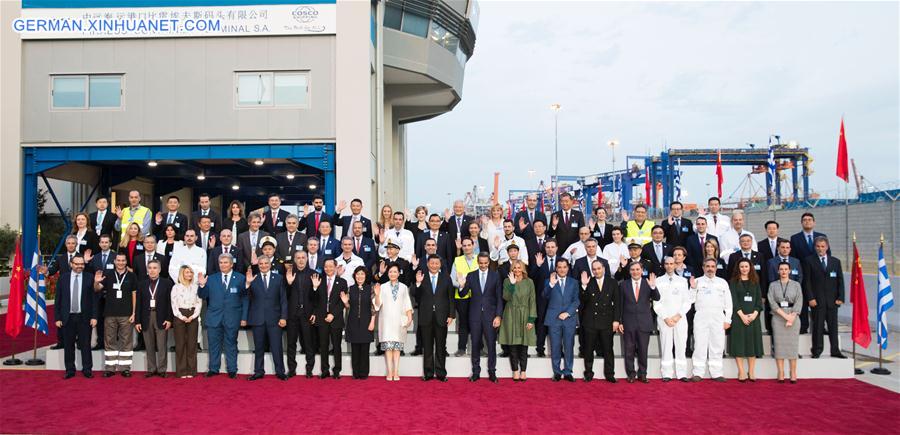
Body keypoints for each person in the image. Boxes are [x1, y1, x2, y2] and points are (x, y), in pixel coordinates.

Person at [198, 254, 248, 379]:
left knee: (231, 344)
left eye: (226, 262)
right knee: (213, 344)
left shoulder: (241, 278)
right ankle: (213, 368)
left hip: (232, 317)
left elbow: (245, 299)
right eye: (221, 262)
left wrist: (244, 317)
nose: (223, 265)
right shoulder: (211, 278)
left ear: (231, 264)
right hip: (214, 317)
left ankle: (232, 370)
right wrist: (202, 286)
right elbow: (202, 296)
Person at [242, 256, 288, 381]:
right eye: (261, 263)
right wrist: (248, 284)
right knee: (259, 347)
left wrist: (284, 317)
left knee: (276, 347)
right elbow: (245, 297)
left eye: (265, 263)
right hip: (257, 318)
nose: (263, 265)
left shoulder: (278, 278)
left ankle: (280, 371)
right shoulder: (252, 279)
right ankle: (258, 371)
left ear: (270, 264)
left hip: (275, 318)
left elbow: (283, 299)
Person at [459, 252, 503, 382]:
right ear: (478, 262)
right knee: (475, 344)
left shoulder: (495, 276)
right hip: (475, 315)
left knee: (491, 345)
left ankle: (492, 372)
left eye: (486, 263)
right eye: (481, 263)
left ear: (489, 262)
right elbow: (463, 294)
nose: (483, 265)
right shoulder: (471, 275)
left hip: (491, 316)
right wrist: (462, 285)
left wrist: (498, 316)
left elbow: (499, 298)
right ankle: (476, 372)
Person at [413, 255, 456, 382]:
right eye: (432, 263)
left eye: (437, 263)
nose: (434, 265)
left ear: (440, 265)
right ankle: (428, 373)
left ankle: (441, 373)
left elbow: (451, 298)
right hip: (426, 316)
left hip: (441, 316)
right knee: (427, 346)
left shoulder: (446, 278)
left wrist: (451, 315)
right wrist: (418, 283)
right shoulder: (421, 276)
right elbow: (415, 295)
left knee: (441, 347)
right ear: (427, 264)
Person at [55, 255, 98, 379]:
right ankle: (69, 370)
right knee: (68, 345)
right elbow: (58, 299)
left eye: (82, 264)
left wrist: (94, 316)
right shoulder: (63, 278)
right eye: (77, 264)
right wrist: (57, 318)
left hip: (84, 317)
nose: (80, 266)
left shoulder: (90, 278)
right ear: (71, 264)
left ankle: (87, 369)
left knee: (85, 345)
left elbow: (94, 299)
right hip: (67, 317)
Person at [802, 236, 846, 359]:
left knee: (833, 327)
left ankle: (835, 350)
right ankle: (817, 350)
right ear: (815, 247)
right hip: (817, 301)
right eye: (818, 246)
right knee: (817, 327)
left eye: (823, 246)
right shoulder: (809, 261)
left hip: (832, 301)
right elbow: (807, 282)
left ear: (827, 247)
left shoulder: (835, 262)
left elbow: (840, 281)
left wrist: (840, 297)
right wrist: (810, 298)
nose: (820, 249)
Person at [578, 259, 620, 383]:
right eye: (594, 269)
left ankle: (610, 374)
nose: (596, 271)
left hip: (607, 320)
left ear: (604, 269)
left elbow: (617, 303)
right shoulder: (588, 282)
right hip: (590, 321)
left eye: (598, 268)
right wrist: (584, 286)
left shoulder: (612, 282)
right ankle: (589, 373)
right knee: (588, 349)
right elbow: (582, 302)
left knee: (608, 349)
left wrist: (616, 320)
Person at [691, 258, 733, 382]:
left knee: (718, 345)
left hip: (718, 317)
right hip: (701, 317)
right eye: (707, 266)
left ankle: (717, 373)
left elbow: (729, 304)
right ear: (703, 268)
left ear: (716, 268)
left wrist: (728, 320)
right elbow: (690, 300)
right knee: (699, 345)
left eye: (712, 266)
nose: (710, 268)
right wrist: (693, 289)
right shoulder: (697, 281)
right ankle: (698, 373)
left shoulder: (722, 282)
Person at [96, 253, 136, 377]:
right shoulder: (108, 275)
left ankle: (125, 368)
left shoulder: (132, 276)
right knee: (109, 341)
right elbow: (97, 289)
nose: (120, 262)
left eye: (123, 260)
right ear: (114, 261)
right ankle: (110, 368)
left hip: (126, 314)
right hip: (110, 313)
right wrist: (96, 282)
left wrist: (134, 312)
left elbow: (134, 294)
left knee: (126, 341)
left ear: (126, 262)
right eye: (118, 260)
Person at [620, 262, 660, 383]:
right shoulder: (623, 285)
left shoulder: (648, 283)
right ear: (629, 271)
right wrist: (620, 321)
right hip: (628, 322)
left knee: (643, 350)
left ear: (642, 270)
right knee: (629, 350)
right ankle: (631, 374)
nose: (635, 272)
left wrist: (653, 287)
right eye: (632, 269)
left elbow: (657, 297)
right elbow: (620, 305)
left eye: (638, 269)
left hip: (644, 322)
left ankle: (643, 374)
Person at [654, 257, 692, 382]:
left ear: (676, 265)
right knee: (666, 346)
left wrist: (678, 316)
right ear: (664, 265)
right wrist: (665, 317)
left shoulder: (682, 281)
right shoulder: (658, 281)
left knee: (681, 346)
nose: (669, 266)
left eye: (672, 264)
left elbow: (687, 302)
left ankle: (681, 373)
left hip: (679, 319)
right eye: (667, 264)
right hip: (664, 319)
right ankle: (667, 373)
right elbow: (656, 303)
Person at [375, 264, 413, 381]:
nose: (392, 274)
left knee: (397, 348)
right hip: (386, 320)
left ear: (398, 273)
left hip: (399, 320)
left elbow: (407, 303)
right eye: (390, 272)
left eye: (395, 272)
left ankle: (396, 371)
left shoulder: (404, 287)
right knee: (388, 348)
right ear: (388, 273)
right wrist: (377, 294)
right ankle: (389, 372)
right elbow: (377, 305)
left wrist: (409, 317)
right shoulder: (383, 287)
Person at [135, 259, 173, 377]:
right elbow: (138, 304)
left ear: (160, 270)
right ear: (147, 270)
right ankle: (151, 369)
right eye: (150, 268)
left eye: (155, 268)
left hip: (161, 316)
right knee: (149, 344)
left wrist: (169, 319)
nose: (152, 270)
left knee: (162, 345)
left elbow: (170, 302)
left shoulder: (167, 283)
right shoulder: (142, 284)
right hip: (146, 317)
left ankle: (162, 369)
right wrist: (137, 321)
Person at [791, 212, 828, 334]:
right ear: (801, 223)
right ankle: (803, 327)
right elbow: (794, 259)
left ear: (814, 222)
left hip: (818, 276)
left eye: (810, 219)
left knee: (819, 302)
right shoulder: (795, 238)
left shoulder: (822, 236)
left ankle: (820, 327)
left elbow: (828, 256)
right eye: (805, 220)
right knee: (802, 302)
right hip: (803, 275)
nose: (807, 221)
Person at [499, 259, 536, 382]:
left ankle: (523, 371)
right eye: (515, 268)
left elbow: (532, 301)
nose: (517, 270)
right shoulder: (507, 281)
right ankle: (515, 370)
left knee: (524, 345)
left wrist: (531, 319)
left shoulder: (529, 282)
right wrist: (512, 284)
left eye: (519, 268)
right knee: (513, 344)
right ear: (511, 269)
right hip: (511, 314)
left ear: (523, 269)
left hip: (525, 314)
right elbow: (506, 297)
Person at [312, 258, 348, 379]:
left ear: (336, 267)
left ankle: (337, 370)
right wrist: (315, 288)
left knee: (337, 346)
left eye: (331, 266)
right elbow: (314, 301)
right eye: (326, 266)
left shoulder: (342, 282)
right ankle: (325, 370)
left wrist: (333, 314)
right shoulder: (319, 280)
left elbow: (343, 302)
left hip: (336, 318)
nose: (328, 269)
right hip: (322, 318)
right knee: (323, 345)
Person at [728, 258, 764, 381]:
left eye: (746, 266)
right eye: (742, 266)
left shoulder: (755, 281)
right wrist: (742, 315)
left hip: (753, 317)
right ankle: (742, 372)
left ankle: (751, 372)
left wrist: (754, 314)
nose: (744, 269)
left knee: (752, 344)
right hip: (739, 317)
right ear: (738, 268)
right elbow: (733, 300)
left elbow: (759, 300)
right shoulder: (733, 282)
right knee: (739, 343)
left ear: (750, 268)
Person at [543, 258, 579, 382]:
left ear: (568, 268)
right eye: (559, 267)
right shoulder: (549, 281)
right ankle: (557, 372)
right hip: (553, 319)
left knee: (569, 345)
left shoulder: (574, 282)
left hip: (569, 319)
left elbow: (576, 300)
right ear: (556, 268)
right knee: (555, 346)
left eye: (564, 267)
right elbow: (544, 296)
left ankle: (568, 371)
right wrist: (551, 285)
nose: (562, 269)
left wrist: (568, 313)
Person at [769, 262, 803, 383]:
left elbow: (799, 301)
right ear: (778, 271)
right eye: (781, 269)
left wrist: (792, 317)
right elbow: (772, 302)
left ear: (789, 271)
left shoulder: (796, 285)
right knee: (779, 346)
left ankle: (793, 372)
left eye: (786, 269)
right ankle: (781, 372)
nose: (783, 271)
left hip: (793, 316)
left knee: (792, 346)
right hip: (778, 316)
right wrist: (785, 316)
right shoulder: (773, 285)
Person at [284, 251, 317, 378]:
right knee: (291, 343)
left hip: (307, 315)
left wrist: (314, 312)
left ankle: (309, 370)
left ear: (307, 258)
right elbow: (284, 296)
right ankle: (292, 370)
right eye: (298, 258)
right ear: (294, 259)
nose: (301, 260)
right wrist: (289, 284)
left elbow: (318, 298)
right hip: (292, 314)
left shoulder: (314, 274)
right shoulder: (288, 274)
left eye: (303, 257)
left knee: (309, 344)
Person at [171, 265, 202, 378]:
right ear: (182, 274)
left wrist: (193, 316)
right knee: (180, 344)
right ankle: (181, 371)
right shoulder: (176, 287)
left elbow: (199, 303)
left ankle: (191, 371)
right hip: (180, 316)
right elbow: (174, 305)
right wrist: (182, 316)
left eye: (191, 272)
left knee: (192, 344)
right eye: (187, 272)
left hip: (192, 315)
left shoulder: (196, 287)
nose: (189, 274)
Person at [345, 267, 376, 380]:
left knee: (364, 349)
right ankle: (356, 373)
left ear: (365, 276)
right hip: (353, 321)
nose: (360, 276)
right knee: (355, 349)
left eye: (362, 274)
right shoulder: (350, 289)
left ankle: (364, 373)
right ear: (355, 276)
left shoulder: (370, 289)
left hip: (366, 321)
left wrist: (372, 322)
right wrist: (345, 303)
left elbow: (374, 307)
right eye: (358, 274)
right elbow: (349, 307)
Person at [450, 238, 480, 358]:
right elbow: (452, 279)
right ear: (461, 247)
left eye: (469, 245)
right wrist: (461, 285)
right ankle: (461, 348)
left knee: (477, 323)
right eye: (464, 245)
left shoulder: (479, 259)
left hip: (477, 297)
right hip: (461, 297)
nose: (467, 247)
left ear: (473, 246)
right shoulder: (457, 260)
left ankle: (479, 348)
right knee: (463, 323)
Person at [529, 239, 559, 357]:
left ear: (556, 248)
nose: (550, 249)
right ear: (545, 248)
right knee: (541, 323)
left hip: (557, 298)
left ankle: (557, 349)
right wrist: (537, 265)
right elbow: (531, 277)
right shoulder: (539, 260)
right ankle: (540, 349)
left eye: (552, 247)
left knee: (557, 325)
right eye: (548, 247)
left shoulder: (562, 261)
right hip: (541, 298)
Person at [86, 234, 116, 350]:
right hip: (97, 292)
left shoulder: (115, 257)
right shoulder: (95, 258)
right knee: (98, 317)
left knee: (111, 319)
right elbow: (89, 274)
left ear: (110, 244)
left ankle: (112, 342)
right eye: (102, 242)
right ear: (99, 244)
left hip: (112, 293)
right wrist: (86, 262)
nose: (104, 244)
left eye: (106, 242)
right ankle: (100, 342)